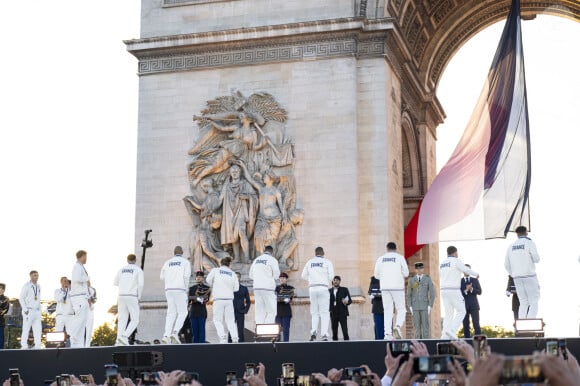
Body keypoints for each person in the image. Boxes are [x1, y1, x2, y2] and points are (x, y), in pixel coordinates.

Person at [217, 163, 258, 264]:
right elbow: (220, 199)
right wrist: (208, 209)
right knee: (233, 235)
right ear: (230, 173)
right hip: (229, 213)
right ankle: (237, 258)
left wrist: (247, 197)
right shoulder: (226, 186)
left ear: (240, 172)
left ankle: (247, 257)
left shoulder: (245, 184)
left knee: (241, 233)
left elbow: (255, 196)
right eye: (232, 171)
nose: (234, 173)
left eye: (236, 171)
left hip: (241, 211)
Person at [439, 245, 479, 339]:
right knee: (461, 310)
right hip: (453, 289)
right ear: (455, 252)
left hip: (444, 290)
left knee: (448, 313)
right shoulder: (456, 261)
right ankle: (452, 330)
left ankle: (444, 335)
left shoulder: (442, 263)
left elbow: (440, 275)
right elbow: (466, 269)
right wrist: (476, 274)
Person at [373, 242, 409, 340]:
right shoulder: (400, 258)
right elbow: (406, 273)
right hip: (397, 287)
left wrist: (384, 277)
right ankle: (397, 326)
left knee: (387, 311)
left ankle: (387, 334)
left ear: (387, 248)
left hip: (385, 287)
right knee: (401, 309)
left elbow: (376, 275)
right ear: (395, 248)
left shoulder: (380, 259)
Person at [504, 225, 540, 319]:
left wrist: (514, 274)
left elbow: (506, 264)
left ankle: (522, 323)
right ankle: (530, 322)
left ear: (517, 234)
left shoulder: (511, 246)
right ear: (526, 232)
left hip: (517, 277)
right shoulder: (529, 242)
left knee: (523, 302)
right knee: (534, 301)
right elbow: (537, 259)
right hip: (529, 276)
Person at [301, 246, 334, 341]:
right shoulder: (327, 262)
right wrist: (323, 279)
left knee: (314, 312)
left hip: (312, 288)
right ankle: (324, 334)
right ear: (323, 253)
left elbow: (303, 275)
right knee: (324, 312)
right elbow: (331, 277)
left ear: (315, 253)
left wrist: (311, 279)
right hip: (323, 287)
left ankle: (313, 333)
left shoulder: (309, 262)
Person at [160, 246, 191, 344]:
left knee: (171, 313)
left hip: (168, 290)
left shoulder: (167, 262)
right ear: (182, 252)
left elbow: (161, 277)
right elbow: (186, 276)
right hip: (180, 289)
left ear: (174, 252)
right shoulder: (185, 262)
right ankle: (175, 332)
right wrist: (186, 290)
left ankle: (166, 335)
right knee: (183, 312)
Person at [206, 257, 239, 343]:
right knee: (230, 320)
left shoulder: (215, 270)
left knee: (217, 320)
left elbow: (208, 280)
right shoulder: (233, 273)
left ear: (220, 263)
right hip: (229, 300)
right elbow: (236, 289)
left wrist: (215, 284)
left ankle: (223, 337)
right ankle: (235, 338)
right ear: (229, 264)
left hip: (218, 299)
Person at [113, 253, 144, 346]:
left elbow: (115, 282)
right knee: (135, 319)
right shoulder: (138, 270)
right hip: (132, 295)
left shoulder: (121, 270)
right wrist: (139, 297)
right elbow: (141, 284)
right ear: (135, 260)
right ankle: (124, 337)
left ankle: (118, 340)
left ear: (127, 260)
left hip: (121, 295)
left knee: (122, 319)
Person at [249, 245, 280, 324]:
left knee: (259, 311)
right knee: (271, 311)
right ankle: (267, 329)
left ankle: (259, 329)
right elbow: (276, 275)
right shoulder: (272, 260)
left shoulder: (256, 260)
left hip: (257, 289)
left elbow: (250, 275)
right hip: (268, 288)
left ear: (264, 250)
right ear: (272, 252)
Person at [406, 262, 436, 339]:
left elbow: (432, 293)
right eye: (417, 269)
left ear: (423, 269)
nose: (419, 270)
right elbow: (408, 294)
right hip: (415, 306)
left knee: (426, 327)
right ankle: (418, 345)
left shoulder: (427, 279)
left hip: (425, 306)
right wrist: (410, 306)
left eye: (421, 268)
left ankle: (426, 345)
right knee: (417, 328)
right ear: (415, 270)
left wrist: (430, 305)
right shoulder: (411, 280)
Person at [70, 250, 90, 348]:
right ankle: (73, 340)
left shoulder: (81, 267)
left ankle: (79, 344)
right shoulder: (77, 267)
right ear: (81, 256)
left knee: (83, 322)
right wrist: (87, 278)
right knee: (79, 319)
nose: (86, 259)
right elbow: (77, 278)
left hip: (83, 297)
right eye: (85, 256)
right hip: (78, 297)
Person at [19, 270, 42, 349]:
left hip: (37, 311)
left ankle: (38, 345)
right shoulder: (26, 285)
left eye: (37, 275)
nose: (37, 277)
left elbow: (38, 299)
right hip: (28, 310)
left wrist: (40, 309)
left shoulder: (38, 286)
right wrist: (25, 309)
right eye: (35, 275)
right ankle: (24, 345)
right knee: (26, 328)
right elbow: (21, 298)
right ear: (31, 276)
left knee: (38, 329)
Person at [188, 270, 211, 343]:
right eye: (197, 277)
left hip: (202, 312)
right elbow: (189, 299)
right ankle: (195, 348)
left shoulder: (207, 288)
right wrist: (198, 298)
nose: (198, 278)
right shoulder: (192, 288)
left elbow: (206, 299)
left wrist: (195, 298)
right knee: (194, 332)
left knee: (201, 332)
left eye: (200, 277)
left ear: (203, 278)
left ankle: (202, 348)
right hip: (193, 312)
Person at [461, 263, 482, 338]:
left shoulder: (475, 280)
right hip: (464, 307)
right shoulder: (459, 281)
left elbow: (480, 292)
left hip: (474, 306)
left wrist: (472, 289)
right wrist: (466, 290)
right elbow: (459, 294)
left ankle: (479, 344)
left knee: (476, 324)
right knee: (465, 326)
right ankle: (467, 342)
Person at [329, 275, 352, 341]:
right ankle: (334, 348)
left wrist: (346, 302)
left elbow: (350, 301)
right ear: (332, 281)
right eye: (334, 280)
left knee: (345, 332)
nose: (336, 281)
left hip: (342, 313)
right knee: (334, 332)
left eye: (337, 280)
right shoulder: (329, 291)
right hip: (333, 314)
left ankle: (347, 347)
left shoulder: (344, 289)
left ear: (339, 281)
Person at [231, 271, 251, 342]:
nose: (236, 278)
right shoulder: (229, 288)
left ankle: (242, 346)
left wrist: (245, 310)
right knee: (231, 331)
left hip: (240, 313)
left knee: (240, 331)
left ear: (240, 278)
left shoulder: (244, 288)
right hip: (231, 312)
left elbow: (248, 301)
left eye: (237, 277)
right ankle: (228, 347)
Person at [275, 272, 294, 342]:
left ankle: (286, 344)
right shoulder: (276, 288)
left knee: (286, 330)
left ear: (286, 279)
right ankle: (277, 344)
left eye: (283, 278)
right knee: (277, 331)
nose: (281, 279)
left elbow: (289, 299)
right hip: (277, 312)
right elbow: (274, 298)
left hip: (286, 312)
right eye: (280, 278)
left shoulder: (290, 288)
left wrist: (280, 298)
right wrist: (283, 297)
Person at [0, 283, 8, 349]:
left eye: (2, 288)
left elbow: (5, 310)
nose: (1, 289)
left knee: (0, 340)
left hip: (0, 322)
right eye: (0, 288)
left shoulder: (6, 299)